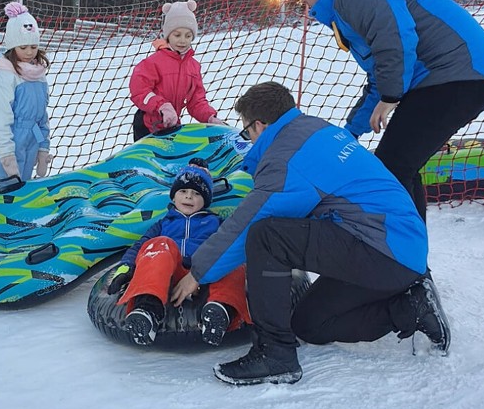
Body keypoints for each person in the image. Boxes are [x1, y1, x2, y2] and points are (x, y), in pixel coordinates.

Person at [171, 82, 447, 386]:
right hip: (397, 252)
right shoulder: (314, 130)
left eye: (246, 131)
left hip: (384, 250)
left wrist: (198, 271)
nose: (247, 138)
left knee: (266, 236)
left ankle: (275, 355)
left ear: (259, 125)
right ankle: (410, 308)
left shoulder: (289, 159)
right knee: (310, 324)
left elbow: (248, 222)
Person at [288, 0, 484, 219]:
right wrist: (352, 131)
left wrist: (390, 97)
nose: (302, 0)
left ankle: (401, 253)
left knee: (393, 165)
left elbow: (397, 39)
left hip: (459, 74)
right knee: (400, 165)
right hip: (457, 76)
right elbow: (381, 72)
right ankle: (409, 255)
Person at [107, 158, 249, 346]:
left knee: (228, 254)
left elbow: (233, 248)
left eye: (196, 193)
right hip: (167, 274)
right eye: (183, 191)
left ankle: (220, 311)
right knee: (160, 244)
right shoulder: (164, 223)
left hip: (205, 275)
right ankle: (147, 310)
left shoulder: (215, 222)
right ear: (174, 197)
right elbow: (141, 246)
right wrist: (125, 268)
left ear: (205, 200)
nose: (188, 197)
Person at [0, 2, 51, 196]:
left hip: (30, 143)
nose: (29, 52)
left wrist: (43, 147)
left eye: (34, 46)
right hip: (7, 144)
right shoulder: (4, 74)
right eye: (23, 47)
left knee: (21, 194)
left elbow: (40, 115)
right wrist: (6, 154)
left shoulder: (38, 73)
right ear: (12, 45)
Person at [128, 0, 225, 142]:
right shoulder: (154, 62)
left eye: (188, 36)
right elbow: (139, 90)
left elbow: (196, 101)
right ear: (168, 35)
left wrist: (210, 117)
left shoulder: (193, 67)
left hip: (171, 125)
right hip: (148, 125)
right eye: (177, 35)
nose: (183, 41)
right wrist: (162, 105)